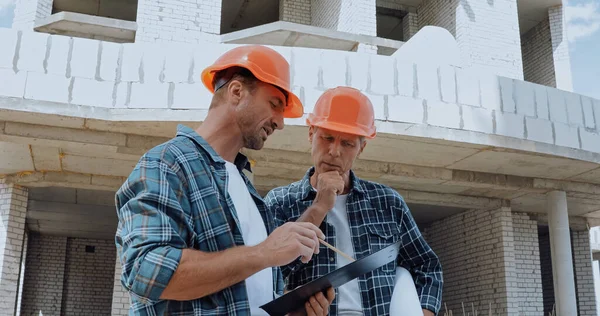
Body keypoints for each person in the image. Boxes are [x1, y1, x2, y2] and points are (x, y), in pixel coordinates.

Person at [114, 45, 335, 315]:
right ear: (237, 92)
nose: (280, 122)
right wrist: (264, 252)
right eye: (275, 104)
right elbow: (145, 271)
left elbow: (246, 287)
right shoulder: (167, 163)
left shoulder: (247, 189)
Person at [265, 86, 443, 316]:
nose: (334, 151)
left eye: (347, 143)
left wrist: (425, 312)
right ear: (311, 134)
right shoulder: (280, 202)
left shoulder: (387, 203)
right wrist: (319, 207)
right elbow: (267, 274)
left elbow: (426, 266)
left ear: (361, 148)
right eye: (327, 137)